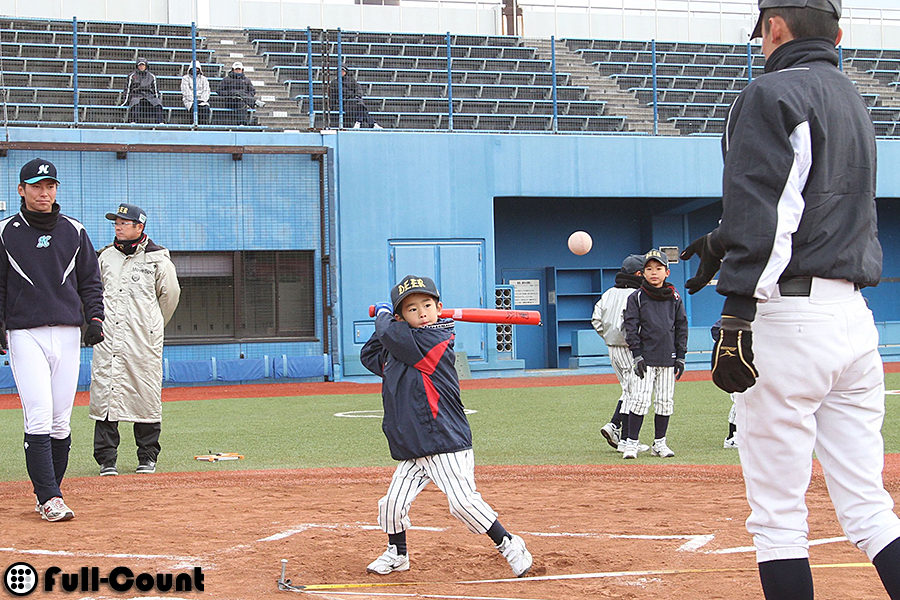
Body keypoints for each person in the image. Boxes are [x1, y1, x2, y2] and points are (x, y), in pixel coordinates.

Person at [679, 1, 900, 597]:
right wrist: (722, 240)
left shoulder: (769, 92)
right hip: (853, 321)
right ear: (838, 34)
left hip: (788, 319)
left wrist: (736, 310)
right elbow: (807, 204)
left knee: (778, 521)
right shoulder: (854, 99)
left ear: (774, 28)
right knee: (870, 508)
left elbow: (770, 209)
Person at [359, 275, 532, 578]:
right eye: (412, 309)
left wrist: (386, 316)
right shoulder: (398, 348)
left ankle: (509, 543)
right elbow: (371, 354)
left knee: (463, 504)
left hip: (444, 440)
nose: (422, 312)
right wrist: (388, 322)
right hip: (415, 444)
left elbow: (392, 337)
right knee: (392, 504)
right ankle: (397, 553)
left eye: (427, 305)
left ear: (440, 308)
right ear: (403, 317)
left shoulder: (434, 339)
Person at [0, 158, 105, 521]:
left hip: (67, 333)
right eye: (36, 186)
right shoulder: (4, 232)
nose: (44, 193)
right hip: (24, 332)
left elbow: (90, 280)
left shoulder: (74, 231)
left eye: (50, 186)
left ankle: (50, 493)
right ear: (21, 190)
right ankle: (50, 497)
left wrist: (94, 318)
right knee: (40, 415)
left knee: (62, 421)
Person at [89, 203, 180, 476]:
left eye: (123, 222)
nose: (117, 226)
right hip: (109, 340)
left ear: (140, 227)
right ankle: (107, 460)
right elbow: (94, 292)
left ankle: (147, 456)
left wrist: (151, 326)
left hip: (143, 342)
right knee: (106, 395)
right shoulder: (105, 257)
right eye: (115, 222)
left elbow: (170, 296)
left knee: (146, 396)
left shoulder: (158, 260)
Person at [621, 249, 687, 460]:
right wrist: (637, 354)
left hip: (668, 357)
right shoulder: (637, 297)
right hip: (645, 359)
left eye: (658, 269)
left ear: (667, 272)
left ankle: (660, 443)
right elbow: (630, 327)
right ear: (642, 273)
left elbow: (681, 326)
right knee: (639, 400)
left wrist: (681, 355)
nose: (654, 273)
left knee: (665, 401)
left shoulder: (675, 297)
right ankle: (631, 443)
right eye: (649, 269)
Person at [592, 254, 648, 453]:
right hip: (630, 348)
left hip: (612, 348)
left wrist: (608, 336)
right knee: (635, 392)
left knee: (628, 389)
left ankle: (615, 426)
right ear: (639, 273)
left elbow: (596, 320)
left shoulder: (608, 293)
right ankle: (624, 438)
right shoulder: (637, 294)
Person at [710, 319, 738, 448]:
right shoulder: (740, 312)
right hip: (737, 363)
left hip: (759, 362)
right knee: (741, 400)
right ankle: (733, 436)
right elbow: (716, 330)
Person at [123, 57, 165, 124]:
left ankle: (160, 121)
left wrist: (158, 100)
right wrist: (125, 101)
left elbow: (156, 90)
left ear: (146, 66)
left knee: (157, 102)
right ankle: (133, 121)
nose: (141, 67)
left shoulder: (152, 76)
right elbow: (127, 89)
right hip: (136, 95)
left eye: (143, 65)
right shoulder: (131, 76)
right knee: (135, 102)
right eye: (140, 65)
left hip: (149, 96)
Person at [181, 61, 211, 125]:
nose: (195, 70)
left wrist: (202, 99)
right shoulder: (185, 78)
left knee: (205, 108)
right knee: (194, 107)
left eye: (197, 69)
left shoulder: (204, 79)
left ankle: (203, 125)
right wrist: (193, 99)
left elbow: (206, 90)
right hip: (190, 100)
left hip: (202, 100)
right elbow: (185, 91)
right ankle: (194, 123)